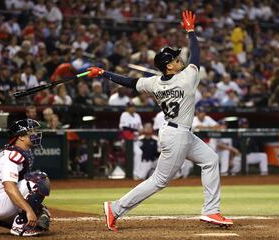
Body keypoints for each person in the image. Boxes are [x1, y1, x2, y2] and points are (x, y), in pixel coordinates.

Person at [87, 10, 233, 231]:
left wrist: (103, 73)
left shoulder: (153, 83)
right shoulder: (187, 78)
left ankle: (211, 211)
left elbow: (128, 82)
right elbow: (196, 53)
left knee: (210, 160)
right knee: (159, 181)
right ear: (169, 66)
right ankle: (115, 208)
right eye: (175, 59)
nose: (179, 59)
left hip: (177, 131)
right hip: (177, 135)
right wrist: (191, 31)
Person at [0, 119, 51, 237]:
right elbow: (9, 188)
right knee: (41, 180)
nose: (35, 134)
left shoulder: (16, 152)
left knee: (42, 215)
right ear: (21, 137)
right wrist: (28, 210)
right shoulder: (12, 156)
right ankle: (20, 227)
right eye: (31, 132)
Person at [119, 102, 143, 180]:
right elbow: (124, 127)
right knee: (138, 152)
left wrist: (141, 131)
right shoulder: (124, 115)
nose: (132, 108)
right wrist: (136, 130)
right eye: (130, 107)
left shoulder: (137, 115)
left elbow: (141, 128)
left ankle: (143, 171)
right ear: (127, 108)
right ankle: (136, 174)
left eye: (133, 106)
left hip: (137, 140)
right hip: (127, 141)